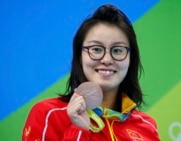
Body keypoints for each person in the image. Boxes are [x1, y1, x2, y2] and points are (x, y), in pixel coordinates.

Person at [22, 4, 160, 141]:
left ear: (131, 59)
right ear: (80, 57)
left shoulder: (147, 126)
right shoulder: (48, 114)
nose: (107, 59)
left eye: (117, 50)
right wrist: (79, 131)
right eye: (96, 49)